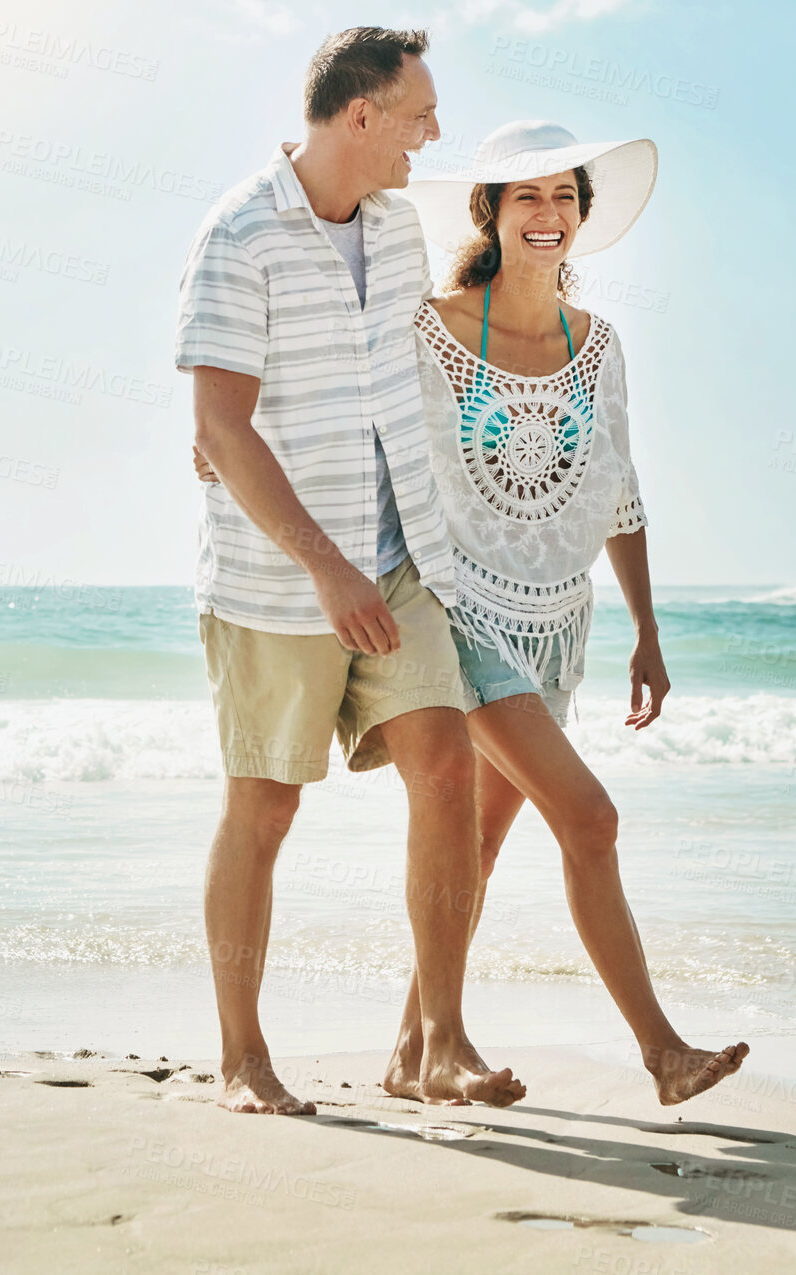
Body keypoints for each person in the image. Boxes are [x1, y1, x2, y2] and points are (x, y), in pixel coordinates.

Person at [198, 120, 750, 1106]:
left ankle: (413, 1056)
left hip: (558, 621)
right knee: (589, 816)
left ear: (582, 216)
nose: (548, 214)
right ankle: (661, 1052)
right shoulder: (433, 326)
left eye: (565, 197)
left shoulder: (600, 345)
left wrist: (648, 631)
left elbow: (615, 489)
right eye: (526, 196)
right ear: (489, 213)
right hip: (459, 612)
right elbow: (336, 380)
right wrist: (217, 435)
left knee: (483, 849)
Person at [175, 28, 524, 1115]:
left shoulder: (396, 228)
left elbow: (412, 377)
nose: (433, 133)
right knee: (265, 809)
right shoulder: (238, 235)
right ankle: (241, 1059)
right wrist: (327, 570)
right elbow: (223, 428)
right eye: (419, 114)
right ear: (360, 116)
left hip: (402, 559)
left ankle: (439, 1045)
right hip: (277, 583)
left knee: (448, 771)